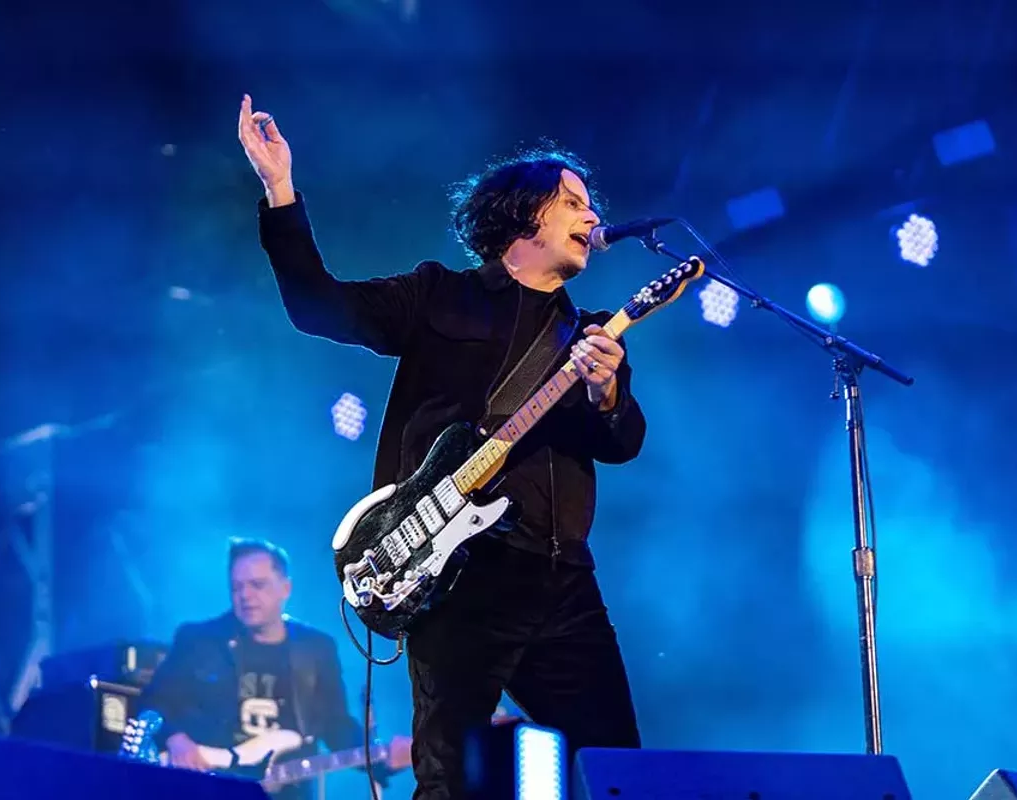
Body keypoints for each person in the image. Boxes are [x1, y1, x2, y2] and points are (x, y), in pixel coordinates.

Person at [238, 94, 646, 799]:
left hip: (561, 580)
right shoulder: (438, 297)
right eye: (574, 202)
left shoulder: (589, 340)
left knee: (618, 772)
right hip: (458, 571)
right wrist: (280, 189)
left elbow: (622, 442)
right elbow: (316, 306)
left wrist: (607, 391)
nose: (592, 217)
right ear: (524, 214)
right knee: (448, 778)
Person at [141, 537, 412, 799]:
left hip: (288, 793)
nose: (245, 595)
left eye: (257, 585)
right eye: (237, 587)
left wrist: (383, 757)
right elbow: (154, 701)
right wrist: (175, 739)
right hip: (209, 787)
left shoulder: (316, 649)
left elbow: (335, 725)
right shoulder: (198, 640)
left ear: (286, 588)